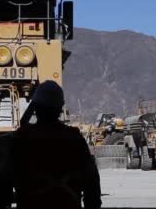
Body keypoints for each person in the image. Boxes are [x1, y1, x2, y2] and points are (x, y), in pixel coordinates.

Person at [7, 81, 101, 209]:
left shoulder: (22, 138)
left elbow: (4, 180)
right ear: (59, 108)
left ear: (36, 108)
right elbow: (91, 179)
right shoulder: (73, 138)